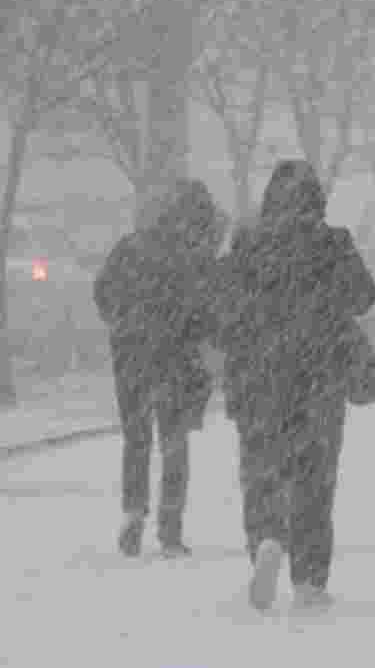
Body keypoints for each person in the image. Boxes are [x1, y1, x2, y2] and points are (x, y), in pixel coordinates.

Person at [212, 160, 375, 611]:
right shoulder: (333, 243)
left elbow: (220, 310)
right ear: (317, 199)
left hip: (257, 379)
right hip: (318, 379)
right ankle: (309, 578)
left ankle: (266, 539)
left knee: (261, 470)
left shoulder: (248, 243)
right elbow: (365, 296)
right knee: (314, 479)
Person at [93, 179, 221, 558]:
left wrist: (121, 323)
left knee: (136, 440)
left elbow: (102, 291)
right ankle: (170, 529)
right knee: (173, 444)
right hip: (174, 361)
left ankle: (134, 512)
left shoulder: (129, 247)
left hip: (131, 357)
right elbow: (204, 311)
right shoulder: (190, 256)